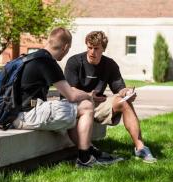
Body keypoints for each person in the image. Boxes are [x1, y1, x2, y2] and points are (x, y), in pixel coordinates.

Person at [12, 27, 115, 168]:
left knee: (71, 110)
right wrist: (89, 95)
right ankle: (85, 159)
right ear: (66, 47)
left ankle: (90, 151)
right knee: (86, 105)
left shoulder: (31, 57)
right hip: (28, 115)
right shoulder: (47, 62)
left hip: (14, 114)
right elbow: (71, 95)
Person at [65, 31, 157, 163]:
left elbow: (119, 88)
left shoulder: (109, 64)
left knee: (124, 102)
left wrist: (127, 93)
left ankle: (140, 148)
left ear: (103, 49)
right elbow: (70, 91)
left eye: (96, 49)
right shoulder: (74, 62)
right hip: (76, 104)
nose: (92, 52)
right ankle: (88, 151)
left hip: (98, 104)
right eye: (89, 48)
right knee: (77, 111)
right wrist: (88, 96)